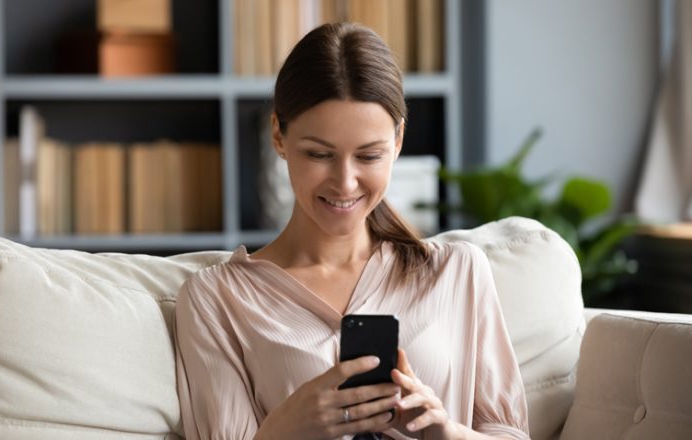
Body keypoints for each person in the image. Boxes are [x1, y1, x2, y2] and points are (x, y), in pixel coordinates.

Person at [174, 22, 530, 440]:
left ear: (397, 141)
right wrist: (285, 431)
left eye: (369, 155)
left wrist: (444, 431)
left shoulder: (458, 272)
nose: (344, 182)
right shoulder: (217, 299)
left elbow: (510, 433)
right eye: (319, 154)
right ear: (278, 136)